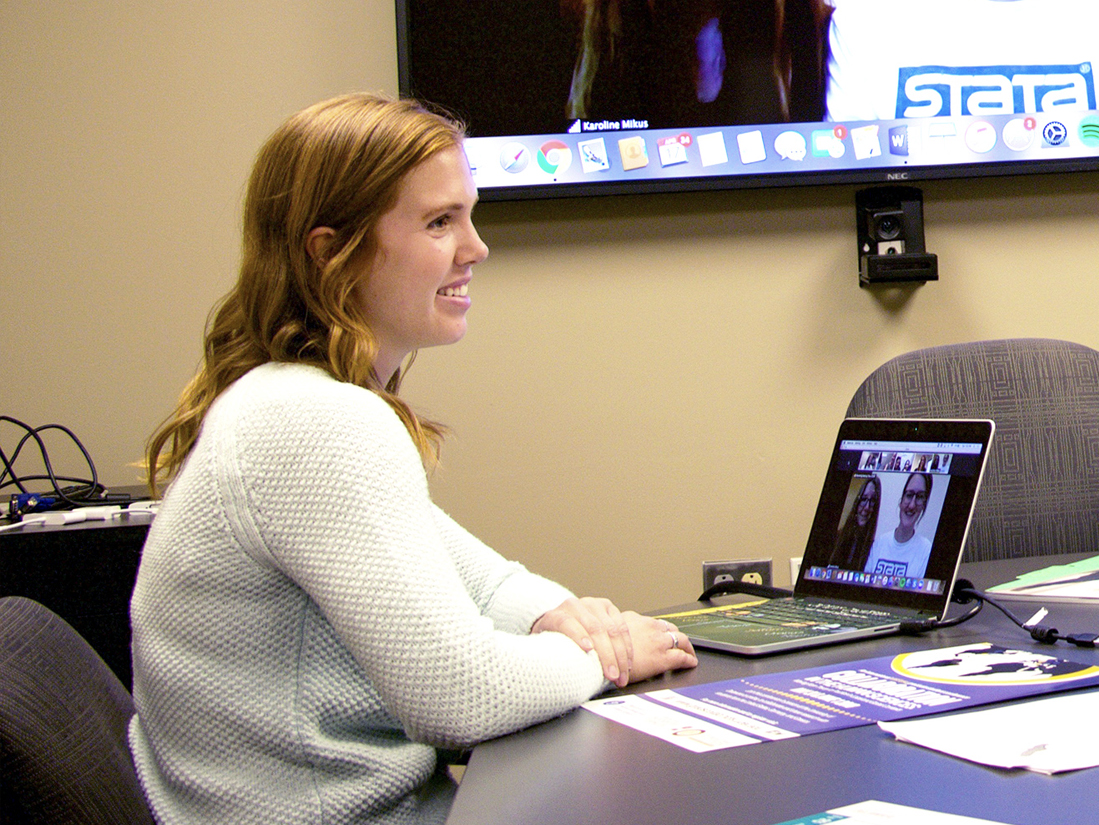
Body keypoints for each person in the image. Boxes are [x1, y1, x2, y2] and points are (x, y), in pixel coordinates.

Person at [128, 93, 701, 825]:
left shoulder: (287, 399)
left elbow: (480, 578)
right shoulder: (313, 421)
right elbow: (462, 695)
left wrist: (562, 615)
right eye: (439, 222)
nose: (476, 247)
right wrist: (610, 656)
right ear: (332, 250)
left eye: (469, 213)